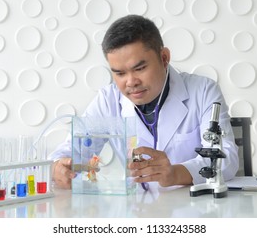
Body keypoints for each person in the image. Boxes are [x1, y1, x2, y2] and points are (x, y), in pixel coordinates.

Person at [48, 14, 239, 189]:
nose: (131, 82)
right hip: (136, 213)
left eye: (140, 68)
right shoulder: (108, 100)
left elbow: (226, 158)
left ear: (164, 58)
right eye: (120, 73)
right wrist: (58, 167)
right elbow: (71, 150)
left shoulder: (203, 91)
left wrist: (175, 173)